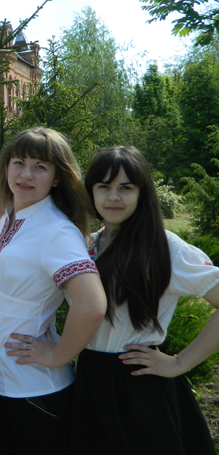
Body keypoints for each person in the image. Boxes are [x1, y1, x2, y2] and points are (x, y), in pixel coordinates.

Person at [70, 145, 218, 454]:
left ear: (142, 192)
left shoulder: (165, 248)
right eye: (104, 187)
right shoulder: (86, 246)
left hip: (138, 387)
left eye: (126, 188)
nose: (113, 197)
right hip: (88, 382)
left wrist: (180, 363)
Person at [0, 126, 106, 455]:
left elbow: (92, 305)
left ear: (57, 178)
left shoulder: (57, 230)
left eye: (40, 167)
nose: (26, 174)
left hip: (36, 388)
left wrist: (57, 355)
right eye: (19, 163)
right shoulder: (1, 218)